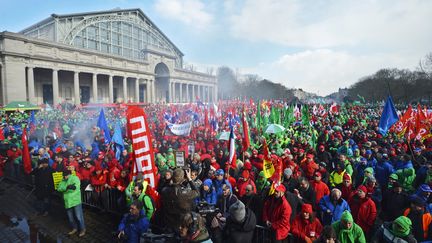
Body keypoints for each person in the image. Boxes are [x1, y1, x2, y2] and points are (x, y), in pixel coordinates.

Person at [158, 168, 199, 232]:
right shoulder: (184, 193)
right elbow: (197, 192)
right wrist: (190, 179)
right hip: (182, 224)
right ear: (182, 178)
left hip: (169, 223)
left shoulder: (164, 190)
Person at [57, 169, 86, 237]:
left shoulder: (75, 178)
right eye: (64, 176)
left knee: (78, 216)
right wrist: (66, 187)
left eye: (66, 175)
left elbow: (76, 188)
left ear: (69, 174)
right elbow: (59, 188)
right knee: (70, 217)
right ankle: (74, 228)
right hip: (67, 201)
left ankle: (82, 229)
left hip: (75, 201)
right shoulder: (63, 180)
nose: (64, 177)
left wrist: (66, 189)